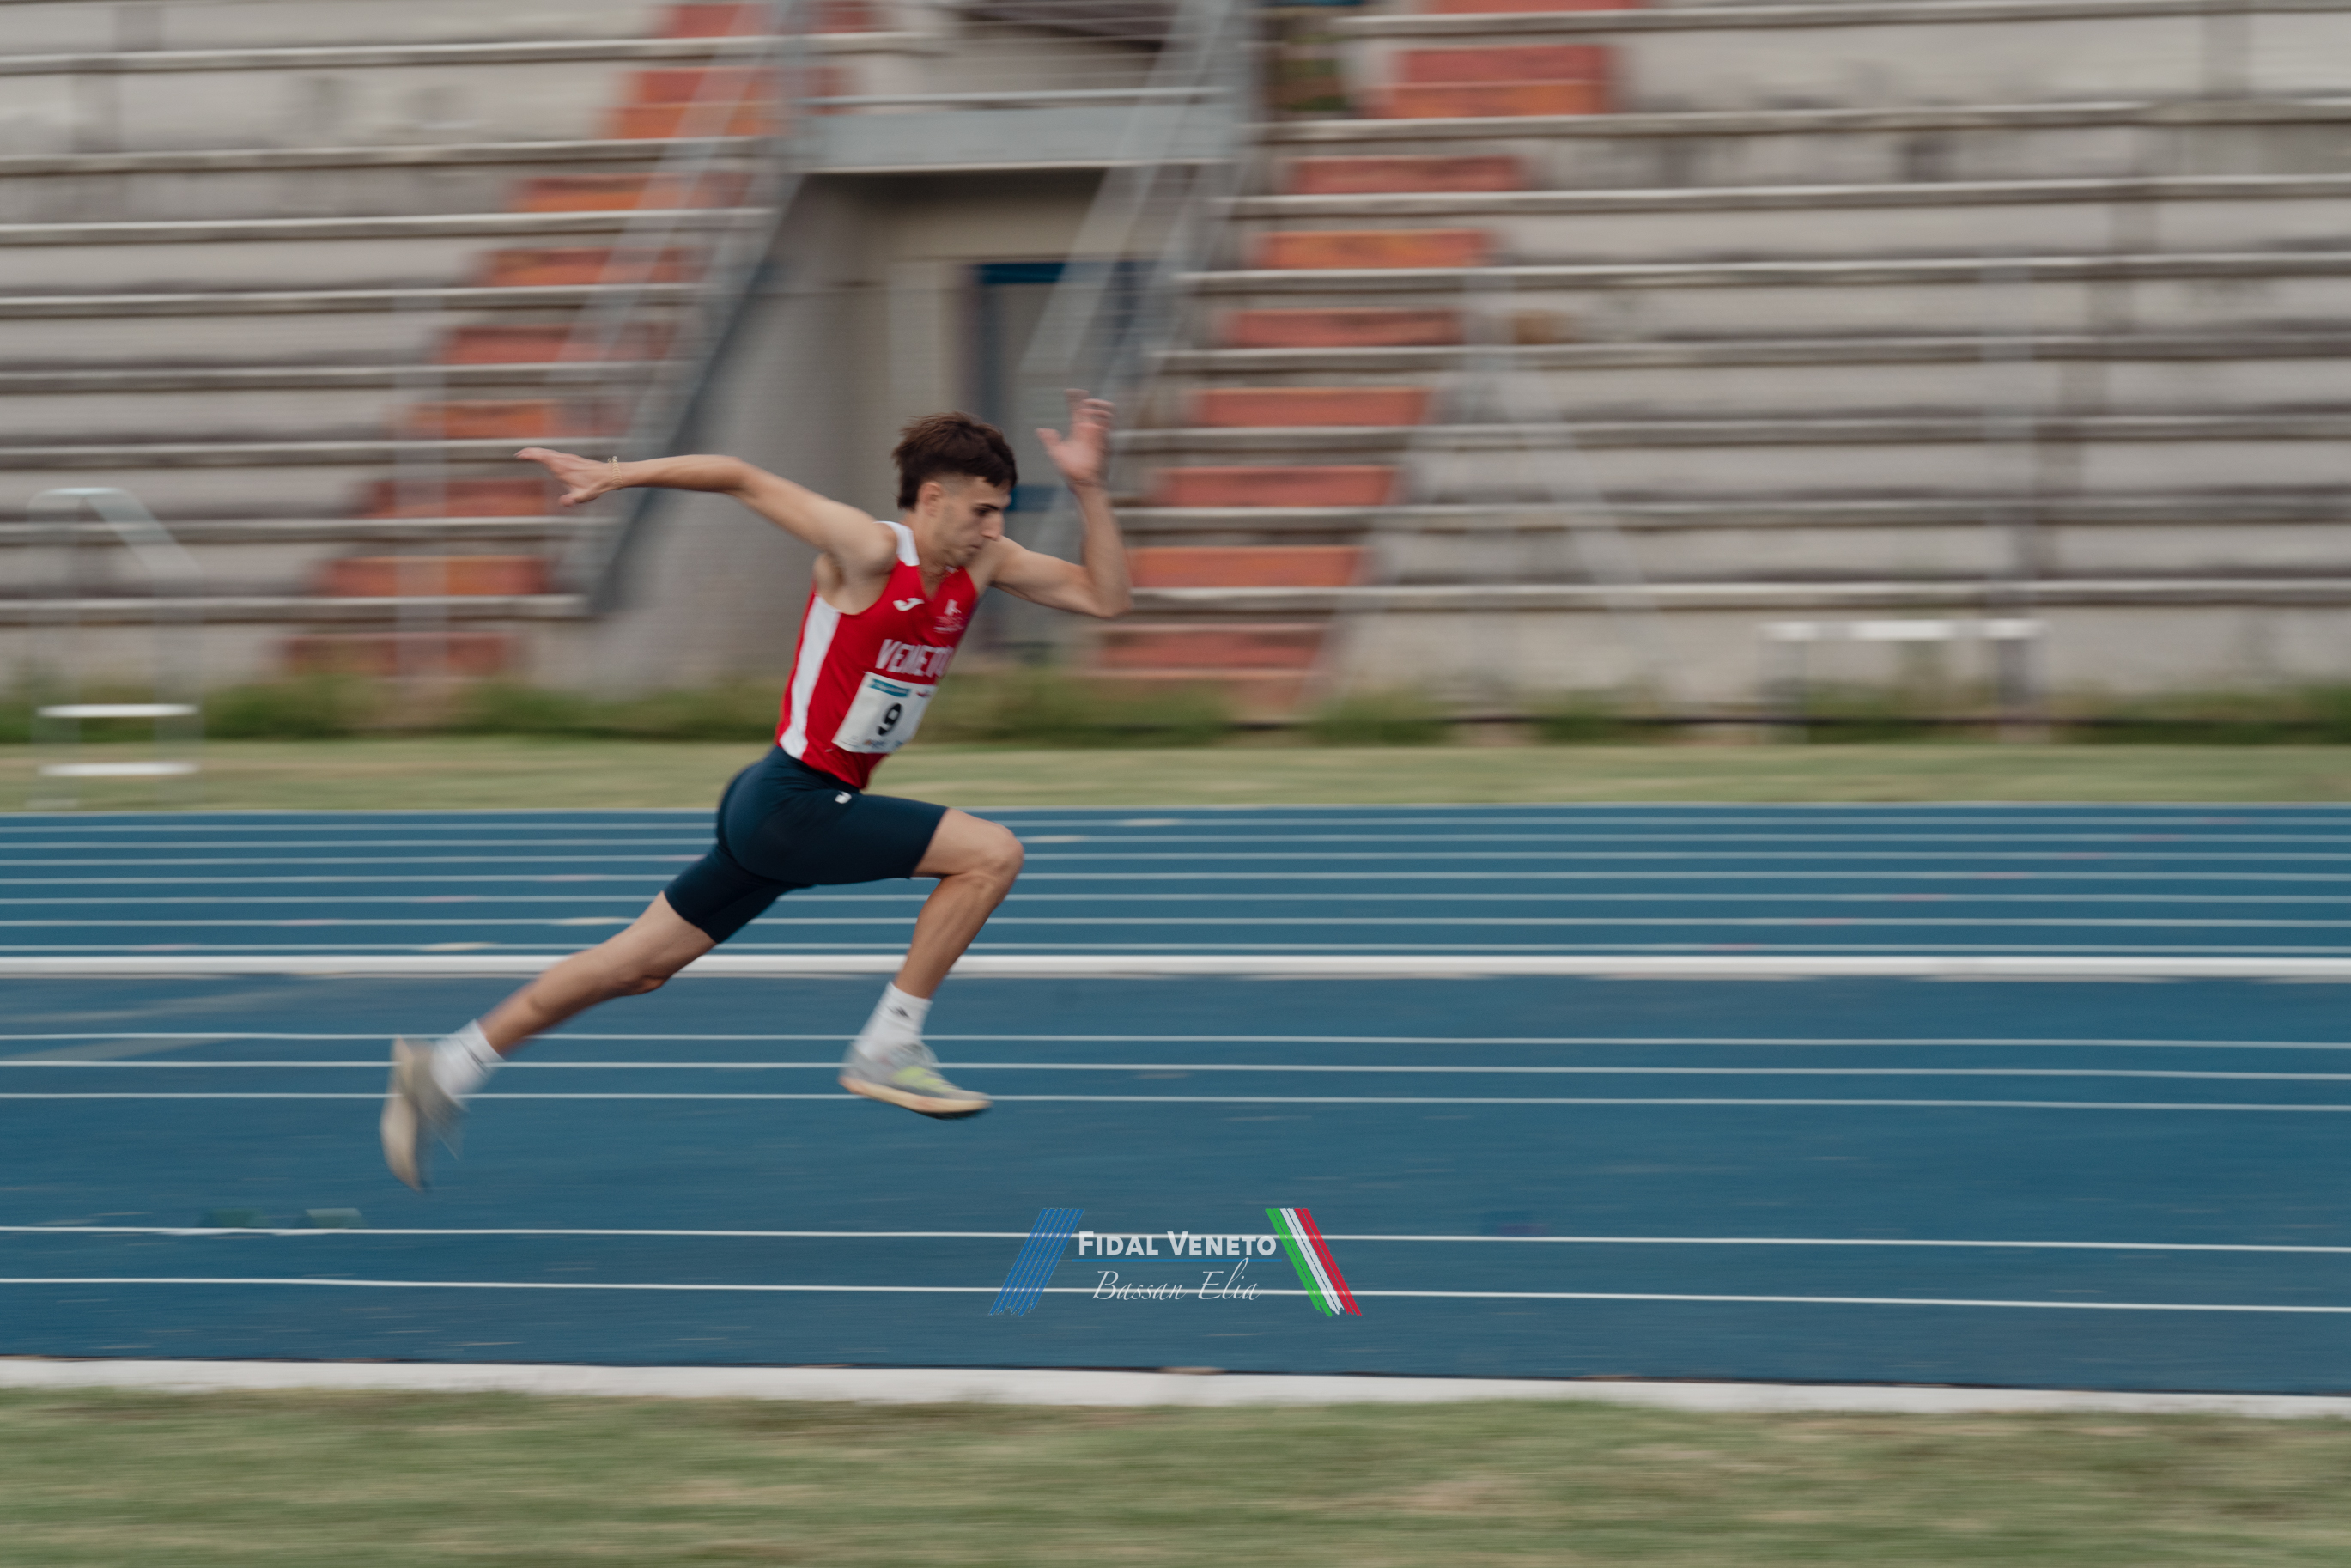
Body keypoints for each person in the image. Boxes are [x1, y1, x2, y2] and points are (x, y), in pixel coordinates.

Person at [380, 395, 1130, 1189]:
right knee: (990, 855)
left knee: (634, 968)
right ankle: (889, 1045)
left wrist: (1089, 487)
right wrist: (618, 475)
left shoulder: (984, 564)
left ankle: (448, 1067)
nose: (993, 528)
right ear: (934, 497)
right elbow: (741, 476)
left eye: (1001, 512)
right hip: (791, 803)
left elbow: (1105, 597)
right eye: (982, 511)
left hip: (783, 809)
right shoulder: (871, 551)